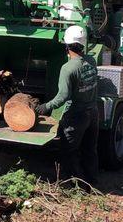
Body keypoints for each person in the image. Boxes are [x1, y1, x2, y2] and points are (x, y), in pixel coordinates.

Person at [35, 25, 99, 185]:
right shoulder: (91, 61)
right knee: (89, 149)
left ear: (67, 46)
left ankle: (75, 185)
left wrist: (45, 107)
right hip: (93, 113)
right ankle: (91, 181)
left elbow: (63, 96)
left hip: (77, 116)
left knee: (68, 151)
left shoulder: (68, 68)